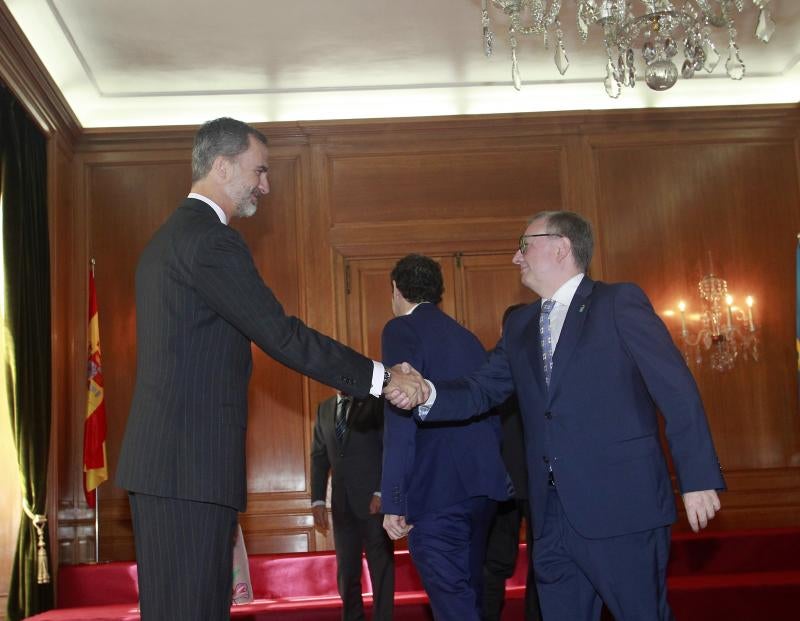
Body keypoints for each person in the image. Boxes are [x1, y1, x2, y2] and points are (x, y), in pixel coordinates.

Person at [115, 117, 427, 621]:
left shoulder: (169, 238)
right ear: (221, 165)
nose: (266, 184)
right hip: (188, 468)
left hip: (170, 466)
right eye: (259, 170)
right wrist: (383, 378)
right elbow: (283, 335)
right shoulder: (211, 242)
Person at [386, 211, 725, 621]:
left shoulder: (618, 303)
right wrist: (426, 391)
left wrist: (698, 477)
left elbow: (677, 390)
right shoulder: (521, 326)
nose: (516, 257)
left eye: (524, 245)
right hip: (550, 519)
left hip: (623, 510)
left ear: (562, 247)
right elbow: (480, 389)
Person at [380, 254, 510, 621]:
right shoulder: (468, 337)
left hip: (438, 490)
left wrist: (394, 498)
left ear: (396, 290)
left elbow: (400, 413)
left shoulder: (399, 329)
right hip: (482, 490)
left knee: (454, 605)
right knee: (469, 597)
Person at [311, 392, 395, 620]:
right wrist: (317, 500)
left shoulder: (376, 403)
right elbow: (319, 458)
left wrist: (381, 491)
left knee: (381, 572)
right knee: (347, 573)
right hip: (341, 506)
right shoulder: (324, 409)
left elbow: (390, 448)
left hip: (374, 505)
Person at [482, 305, 541, 621]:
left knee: (506, 563)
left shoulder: (489, 365)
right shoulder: (536, 364)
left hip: (518, 481)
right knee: (505, 563)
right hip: (514, 481)